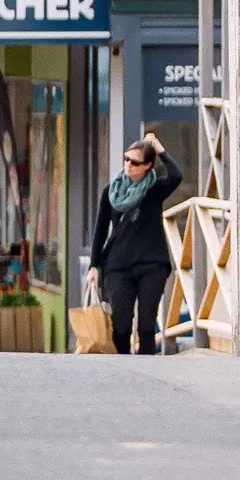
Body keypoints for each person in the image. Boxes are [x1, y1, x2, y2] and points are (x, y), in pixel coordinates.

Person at [91, 136, 184, 355]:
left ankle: (148, 377)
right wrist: (94, 266)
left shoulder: (155, 190)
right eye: (126, 159)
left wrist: (160, 149)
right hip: (118, 267)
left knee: (146, 326)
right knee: (121, 327)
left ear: (148, 166)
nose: (128, 165)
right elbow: (100, 230)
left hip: (152, 265)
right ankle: (124, 373)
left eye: (134, 162)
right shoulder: (111, 192)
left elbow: (176, 175)